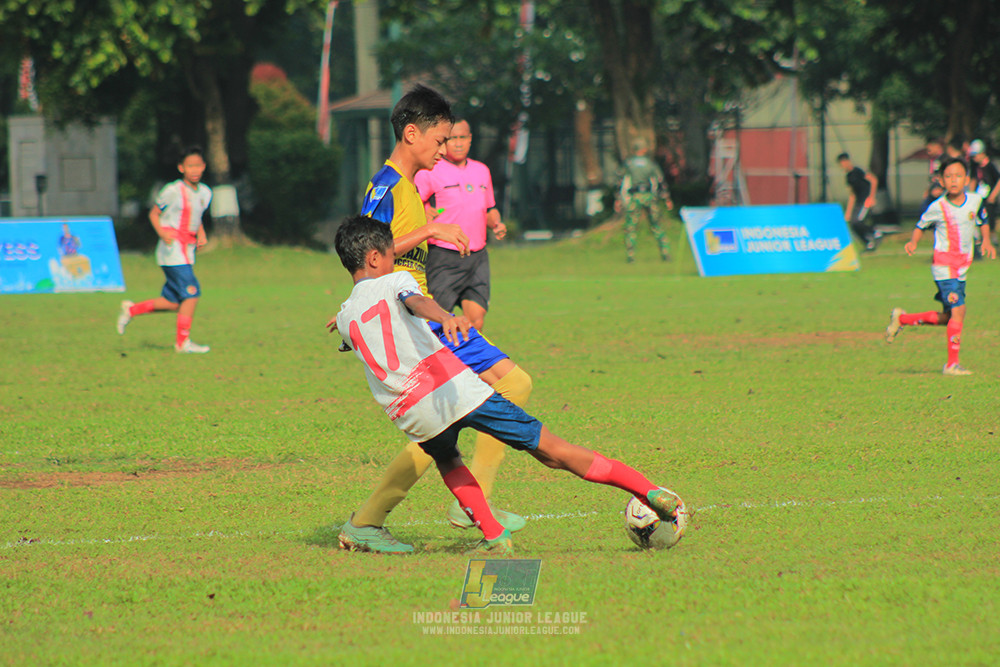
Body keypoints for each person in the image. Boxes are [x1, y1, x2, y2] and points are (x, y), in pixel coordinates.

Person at [331, 214, 685, 553]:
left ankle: (495, 536)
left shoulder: (346, 314)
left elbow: (362, 326)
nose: (396, 263)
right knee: (554, 452)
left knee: (449, 462)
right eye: (393, 256)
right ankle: (650, 492)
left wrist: (347, 316)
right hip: (454, 390)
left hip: (412, 412)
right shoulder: (395, 281)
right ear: (375, 256)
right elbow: (416, 301)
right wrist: (445, 316)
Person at [336, 84, 533, 553]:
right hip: (418, 321)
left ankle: (375, 519)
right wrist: (429, 228)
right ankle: (463, 505)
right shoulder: (386, 187)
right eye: (439, 140)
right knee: (503, 390)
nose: (444, 151)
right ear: (410, 133)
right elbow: (368, 250)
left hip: (423, 314)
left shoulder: (405, 187)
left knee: (448, 422)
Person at [884, 156, 996, 375]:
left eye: (958, 175)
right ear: (941, 180)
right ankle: (951, 365)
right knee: (959, 311)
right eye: (948, 176)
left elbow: (982, 220)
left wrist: (987, 241)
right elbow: (920, 225)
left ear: (967, 179)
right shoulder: (938, 206)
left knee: (948, 317)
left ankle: (902, 319)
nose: (953, 180)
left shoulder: (975, 200)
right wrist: (913, 241)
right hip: (944, 268)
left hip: (962, 268)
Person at [116, 146, 212, 353]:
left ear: (203, 167)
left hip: (187, 251)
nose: (194, 170)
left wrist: (201, 234)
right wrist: (162, 233)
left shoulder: (205, 192)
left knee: (174, 303)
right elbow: (153, 214)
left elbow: (197, 217)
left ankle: (131, 310)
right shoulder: (172, 191)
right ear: (181, 168)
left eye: (198, 165)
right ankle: (182, 343)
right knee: (192, 294)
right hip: (171, 251)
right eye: (190, 166)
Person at [414, 118, 505, 332]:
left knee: (476, 320)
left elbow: (490, 208)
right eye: (452, 138)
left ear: (470, 139)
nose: (457, 143)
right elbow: (413, 201)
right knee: (437, 322)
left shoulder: (482, 171)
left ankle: (468, 365)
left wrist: (497, 223)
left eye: (462, 137)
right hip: (444, 256)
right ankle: (438, 363)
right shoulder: (430, 170)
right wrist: (424, 209)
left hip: (477, 256)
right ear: (444, 142)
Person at [616, 139, 673, 263]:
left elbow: (620, 180)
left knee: (631, 226)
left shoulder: (629, 163)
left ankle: (630, 255)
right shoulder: (650, 164)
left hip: (635, 196)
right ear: (644, 149)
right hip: (648, 196)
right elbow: (660, 181)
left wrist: (618, 200)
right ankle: (665, 252)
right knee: (656, 225)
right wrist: (667, 199)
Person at [837, 153, 880, 251]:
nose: (843, 165)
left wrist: (871, 197)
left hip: (866, 201)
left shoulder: (859, 171)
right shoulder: (848, 177)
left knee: (858, 221)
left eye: (844, 162)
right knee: (853, 224)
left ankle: (875, 232)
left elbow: (873, 180)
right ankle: (867, 243)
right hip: (858, 202)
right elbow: (852, 195)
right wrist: (848, 212)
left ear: (848, 161)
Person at [968, 140, 999, 244]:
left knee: (990, 220)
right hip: (978, 197)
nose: (974, 158)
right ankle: (978, 241)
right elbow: (973, 180)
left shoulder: (990, 165)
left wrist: (993, 195)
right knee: (977, 218)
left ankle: (993, 241)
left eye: (975, 155)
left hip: (989, 198)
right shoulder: (975, 166)